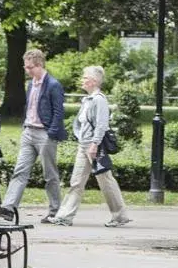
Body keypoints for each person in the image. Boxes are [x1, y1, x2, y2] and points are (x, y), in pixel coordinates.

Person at [52, 65, 133, 228]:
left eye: (85, 77)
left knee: (106, 181)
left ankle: (120, 216)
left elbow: (102, 125)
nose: (82, 80)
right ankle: (65, 216)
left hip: (93, 147)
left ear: (94, 81)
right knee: (76, 182)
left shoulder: (99, 100)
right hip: (84, 146)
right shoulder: (87, 100)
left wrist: (94, 144)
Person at [0, 49, 66, 221]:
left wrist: (51, 133)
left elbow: (59, 112)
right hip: (29, 132)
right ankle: (8, 207)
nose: (27, 70)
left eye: (30, 67)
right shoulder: (31, 84)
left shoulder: (53, 85)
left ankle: (55, 212)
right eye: (26, 67)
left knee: (50, 175)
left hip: (45, 134)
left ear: (39, 65)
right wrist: (25, 126)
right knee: (20, 171)